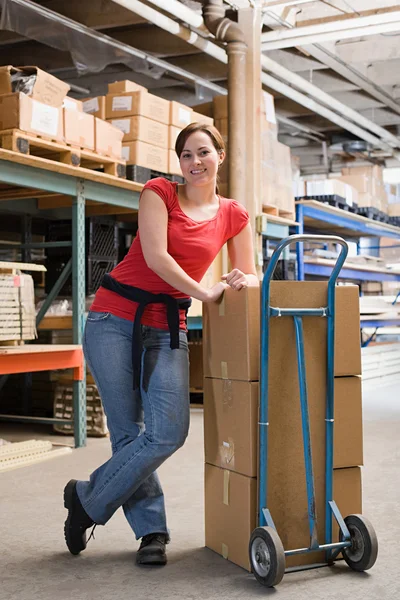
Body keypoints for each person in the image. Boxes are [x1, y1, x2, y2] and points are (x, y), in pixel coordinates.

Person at [63, 122, 259, 566]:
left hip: (167, 325)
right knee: (128, 431)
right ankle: (152, 532)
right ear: (179, 162)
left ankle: (85, 498)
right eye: (187, 155)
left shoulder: (234, 214)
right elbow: (156, 256)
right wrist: (205, 292)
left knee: (168, 432)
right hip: (114, 318)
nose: (195, 163)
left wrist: (240, 278)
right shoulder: (159, 193)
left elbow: (251, 272)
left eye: (203, 153)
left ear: (220, 156)